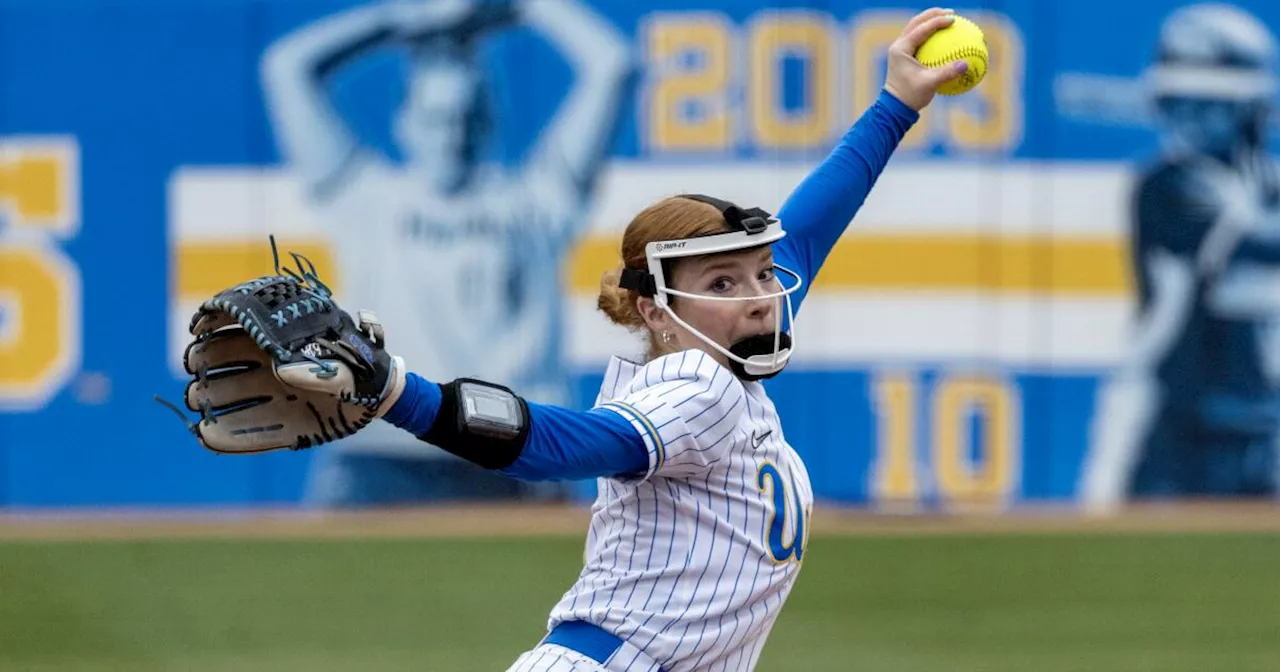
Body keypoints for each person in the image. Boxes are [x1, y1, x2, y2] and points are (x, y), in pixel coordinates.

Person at [268, 7, 965, 670]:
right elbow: (562, 446)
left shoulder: (728, 340)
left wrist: (896, 106)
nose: (760, 296)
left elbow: (808, 231)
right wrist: (400, 393)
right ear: (657, 312)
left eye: (760, 275)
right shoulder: (698, 387)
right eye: (724, 283)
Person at [259, 0, 634, 505]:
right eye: (435, 118)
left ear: (488, 122)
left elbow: (613, 64)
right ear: (404, 122)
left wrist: (520, 7)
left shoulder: (537, 202)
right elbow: (286, 67)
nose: (451, 135)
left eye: (466, 117)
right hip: (380, 455)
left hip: (509, 450)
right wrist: (400, 19)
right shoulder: (364, 198)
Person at [1082, 3, 1280, 508]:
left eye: (1208, 104)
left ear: (1250, 109)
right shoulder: (1168, 187)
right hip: (1175, 422)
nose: (1190, 118)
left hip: (1264, 428)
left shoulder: (1268, 184)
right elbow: (1255, 243)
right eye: (1179, 102)